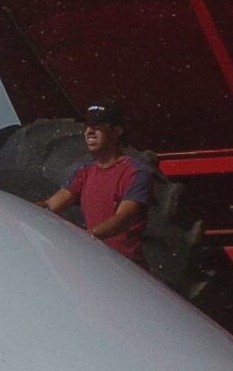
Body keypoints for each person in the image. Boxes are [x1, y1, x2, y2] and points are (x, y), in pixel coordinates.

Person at [42, 101, 153, 263]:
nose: (89, 131)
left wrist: (87, 238)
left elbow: (123, 218)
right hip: (97, 264)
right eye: (87, 126)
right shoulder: (85, 173)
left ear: (117, 131)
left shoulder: (136, 172)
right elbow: (51, 205)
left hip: (126, 269)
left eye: (99, 125)